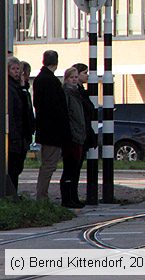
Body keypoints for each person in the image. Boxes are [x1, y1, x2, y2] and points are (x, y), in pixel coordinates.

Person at [32, 50, 71, 201]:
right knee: (49, 165)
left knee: (47, 164)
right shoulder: (51, 81)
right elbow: (57, 108)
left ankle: (42, 195)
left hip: (45, 129)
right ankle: (42, 195)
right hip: (52, 132)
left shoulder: (39, 79)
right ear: (56, 62)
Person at [7, 56, 35, 193]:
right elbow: (14, 113)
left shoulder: (21, 88)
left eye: (18, 69)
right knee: (13, 167)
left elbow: (27, 109)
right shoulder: (9, 89)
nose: (17, 72)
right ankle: (11, 194)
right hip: (15, 136)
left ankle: (14, 194)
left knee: (18, 167)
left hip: (22, 134)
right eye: (13, 69)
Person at [60, 67, 86, 208]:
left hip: (78, 134)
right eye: (72, 77)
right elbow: (68, 114)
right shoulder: (67, 93)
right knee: (70, 167)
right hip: (72, 136)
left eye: (76, 77)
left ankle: (73, 196)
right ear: (66, 78)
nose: (75, 79)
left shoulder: (77, 93)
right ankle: (67, 198)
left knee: (75, 168)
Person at [72, 63, 97, 204]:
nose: (87, 75)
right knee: (74, 167)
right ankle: (71, 196)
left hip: (83, 132)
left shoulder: (80, 91)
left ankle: (73, 196)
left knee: (77, 166)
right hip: (79, 133)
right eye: (85, 73)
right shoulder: (76, 92)